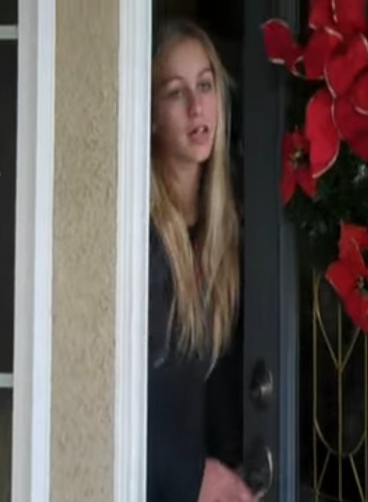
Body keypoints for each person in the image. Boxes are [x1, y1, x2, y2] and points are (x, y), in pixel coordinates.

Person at [147, 19, 256, 502]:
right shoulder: (141, 236)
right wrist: (191, 475)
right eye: (176, 92)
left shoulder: (226, 232)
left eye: (205, 86)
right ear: (152, 114)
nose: (196, 106)